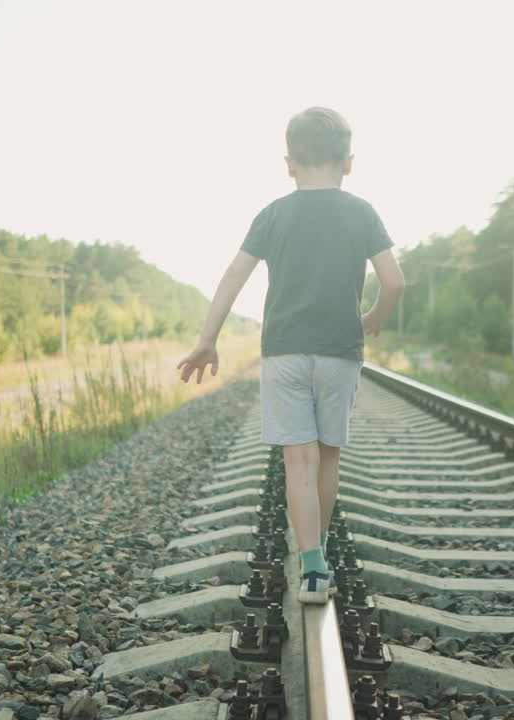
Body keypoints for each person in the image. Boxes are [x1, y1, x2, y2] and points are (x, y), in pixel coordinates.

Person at [177, 106, 405, 604]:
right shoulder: (363, 211)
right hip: (341, 352)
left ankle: (313, 569)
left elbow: (233, 276)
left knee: (296, 462)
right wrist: (374, 316)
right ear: (349, 162)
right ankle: (318, 550)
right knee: (327, 459)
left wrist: (207, 338)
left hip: (283, 351)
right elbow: (394, 280)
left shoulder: (273, 213)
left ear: (289, 163)